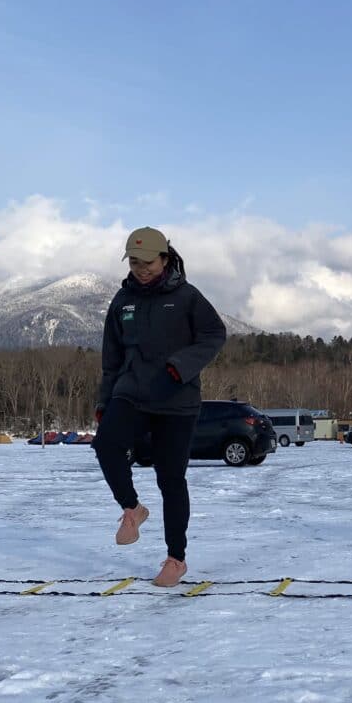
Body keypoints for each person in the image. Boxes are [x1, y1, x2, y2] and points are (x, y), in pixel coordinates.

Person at [91, 226, 227, 587]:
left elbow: (215, 335)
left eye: (147, 262)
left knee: (170, 479)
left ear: (164, 258)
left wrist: (179, 367)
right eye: (134, 262)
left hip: (175, 399)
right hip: (131, 392)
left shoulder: (186, 297)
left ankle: (175, 559)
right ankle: (132, 508)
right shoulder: (123, 302)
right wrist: (105, 401)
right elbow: (112, 359)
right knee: (105, 444)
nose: (141, 268)